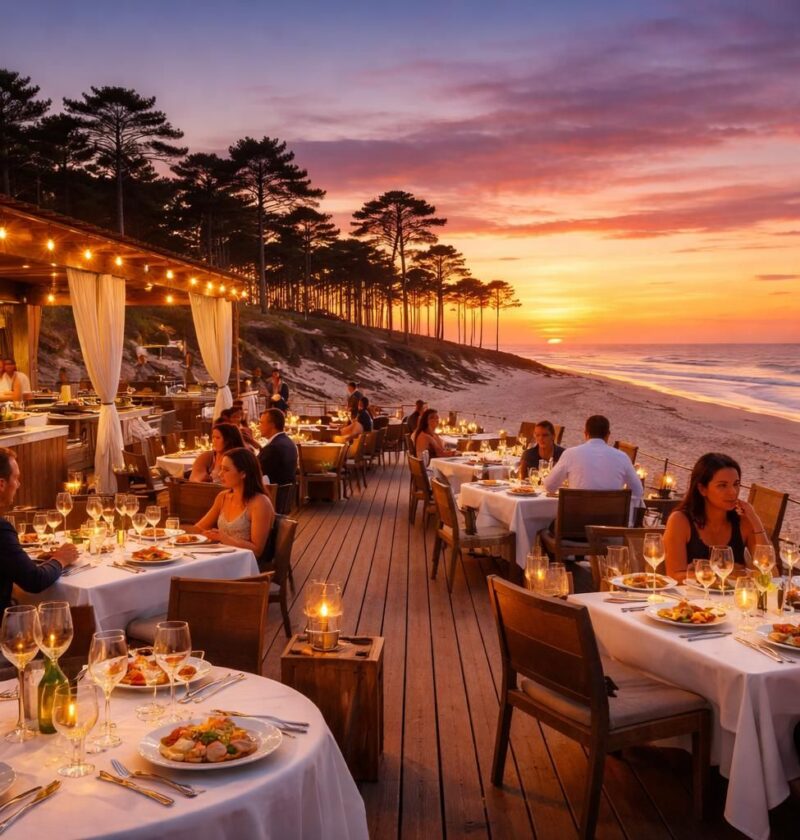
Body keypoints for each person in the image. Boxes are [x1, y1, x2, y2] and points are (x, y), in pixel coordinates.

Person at [664, 452, 767, 580]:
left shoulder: (743, 522)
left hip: (733, 599)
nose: (733, 492)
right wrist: (726, 572)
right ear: (702, 489)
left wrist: (755, 520)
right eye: (722, 485)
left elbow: (770, 573)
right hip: (690, 598)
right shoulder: (680, 521)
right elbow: (674, 576)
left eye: (736, 484)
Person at [0, 447, 78, 612]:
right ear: (1, 484)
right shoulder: (2, 529)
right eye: (16, 478)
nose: (18, 484)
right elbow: (34, 580)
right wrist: (60, 559)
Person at [543, 415, 643, 510]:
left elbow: (549, 486)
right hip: (611, 523)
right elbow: (638, 491)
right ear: (608, 435)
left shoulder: (570, 454)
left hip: (574, 523)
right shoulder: (623, 457)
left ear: (585, 433)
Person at [192, 447, 274, 558]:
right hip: (219, 557)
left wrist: (223, 538)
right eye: (220, 468)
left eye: (226, 470)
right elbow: (199, 528)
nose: (220, 474)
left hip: (244, 564)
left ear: (243, 474)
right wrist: (174, 535)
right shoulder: (223, 497)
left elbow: (257, 551)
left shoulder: (260, 503)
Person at [258, 408, 298, 486]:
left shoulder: (274, 447)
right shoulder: (289, 442)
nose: (259, 427)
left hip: (274, 494)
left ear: (272, 424)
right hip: (286, 494)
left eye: (262, 423)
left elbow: (254, 470)